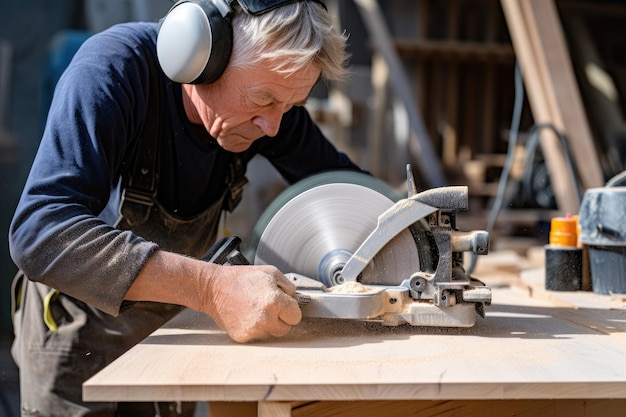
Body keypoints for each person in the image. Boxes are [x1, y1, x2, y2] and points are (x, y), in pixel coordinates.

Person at [8, 1, 361, 416]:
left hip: (170, 335)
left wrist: (410, 226)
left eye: (290, 106)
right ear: (201, 57)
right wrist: (211, 288)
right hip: (80, 338)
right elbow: (40, 233)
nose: (273, 127)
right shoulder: (113, 70)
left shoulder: (268, 109)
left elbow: (349, 191)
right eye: (263, 100)